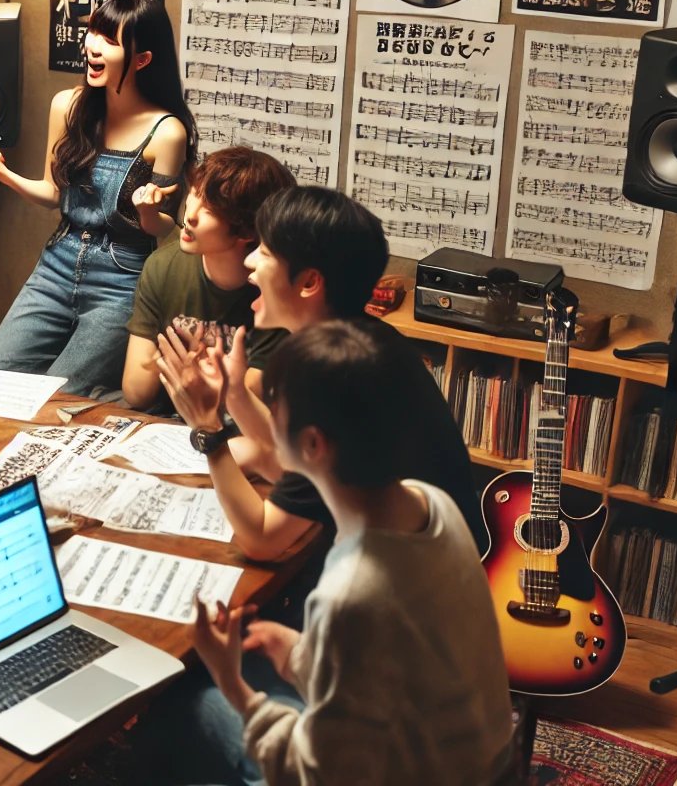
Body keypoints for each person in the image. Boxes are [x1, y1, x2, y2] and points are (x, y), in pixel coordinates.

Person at [138, 186, 489, 786]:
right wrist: (235, 399)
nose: (250, 261)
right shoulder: (368, 363)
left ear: (309, 282)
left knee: (172, 709)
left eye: (265, 251)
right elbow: (287, 465)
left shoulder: (345, 594)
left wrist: (208, 430)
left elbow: (316, 771)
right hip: (465, 740)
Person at [190, 319, 518, 785]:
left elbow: (314, 775)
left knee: (193, 704)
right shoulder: (430, 502)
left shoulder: (349, 595)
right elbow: (396, 657)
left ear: (313, 444)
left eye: (276, 399)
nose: (270, 407)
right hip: (485, 765)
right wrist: (301, 656)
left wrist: (233, 685)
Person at [0, 0, 194, 396]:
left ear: (142, 59)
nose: (91, 46)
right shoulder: (69, 105)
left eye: (110, 40)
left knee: (60, 398)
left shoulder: (167, 131)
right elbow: (51, 194)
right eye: (93, 32)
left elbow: (163, 227)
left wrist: (147, 210)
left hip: (122, 279)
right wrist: (2, 174)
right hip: (56, 264)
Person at [120, 146, 295, 414]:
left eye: (211, 209)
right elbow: (136, 392)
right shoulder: (163, 266)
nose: (190, 215)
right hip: (166, 419)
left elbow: (248, 406)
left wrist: (187, 372)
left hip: (241, 431)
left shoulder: (271, 289)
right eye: (194, 194)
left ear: (247, 229)